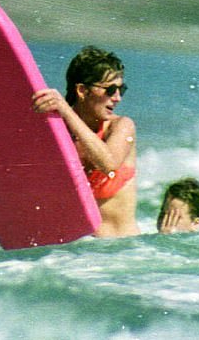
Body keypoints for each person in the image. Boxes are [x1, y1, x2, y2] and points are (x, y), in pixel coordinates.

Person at [32, 46, 139, 237]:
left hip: (124, 253)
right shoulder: (57, 133)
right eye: (111, 90)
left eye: (121, 89)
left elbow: (109, 164)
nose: (117, 98)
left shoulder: (122, 126)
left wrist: (66, 111)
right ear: (82, 90)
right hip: (78, 258)